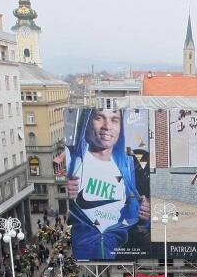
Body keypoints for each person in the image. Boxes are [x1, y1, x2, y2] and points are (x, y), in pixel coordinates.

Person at [61, 108, 150, 260]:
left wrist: (145, 215)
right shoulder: (72, 158)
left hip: (120, 254)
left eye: (114, 120)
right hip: (85, 254)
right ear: (87, 121)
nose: (107, 126)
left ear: (121, 126)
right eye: (99, 118)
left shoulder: (130, 165)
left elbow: (139, 219)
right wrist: (65, 187)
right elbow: (60, 194)